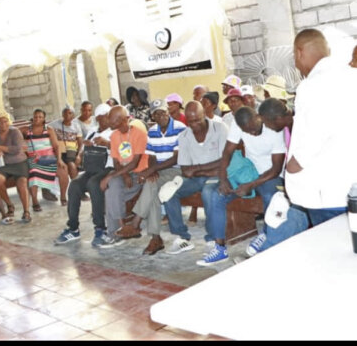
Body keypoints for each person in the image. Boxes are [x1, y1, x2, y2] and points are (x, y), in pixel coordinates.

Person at [262, 30, 357, 251]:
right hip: (351, 183)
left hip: (327, 189)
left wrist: (295, 165)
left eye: (295, 59)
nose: (297, 65)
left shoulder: (312, 85)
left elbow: (316, 131)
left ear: (300, 52)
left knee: (334, 252)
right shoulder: (352, 76)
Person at [199, 106, 286, 266]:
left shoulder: (274, 128)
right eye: (248, 131)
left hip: (269, 175)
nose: (252, 133)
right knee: (217, 194)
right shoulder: (239, 125)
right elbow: (227, 153)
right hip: (248, 171)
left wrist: (251, 185)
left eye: (254, 129)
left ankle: (266, 234)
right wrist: (223, 178)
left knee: (270, 195)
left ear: (258, 118)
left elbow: (276, 169)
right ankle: (220, 248)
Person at [116, 99, 187, 255]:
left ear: (168, 112)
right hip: (161, 170)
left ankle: (136, 223)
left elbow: (177, 158)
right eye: (156, 113)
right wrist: (153, 170)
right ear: (153, 117)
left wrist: (152, 169)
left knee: (150, 183)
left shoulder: (180, 128)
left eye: (163, 112)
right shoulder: (153, 131)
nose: (160, 116)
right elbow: (152, 156)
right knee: (152, 187)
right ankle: (155, 238)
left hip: (178, 170)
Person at [163, 101, 227, 255]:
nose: (194, 124)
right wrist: (207, 170)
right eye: (190, 121)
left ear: (204, 114)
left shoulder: (220, 128)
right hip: (201, 177)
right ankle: (181, 237)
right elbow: (185, 170)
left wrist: (198, 168)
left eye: (197, 119)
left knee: (208, 192)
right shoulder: (184, 136)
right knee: (168, 191)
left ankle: (212, 239)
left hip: (218, 176)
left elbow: (225, 160)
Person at [54, 103, 116, 248]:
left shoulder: (115, 132)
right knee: (74, 185)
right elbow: (81, 151)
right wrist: (80, 155)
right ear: (99, 118)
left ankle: (100, 229)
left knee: (94, 184)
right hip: (92, 168)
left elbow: (122, 151)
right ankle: (73, 228)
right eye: (102, 118)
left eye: (107, 117)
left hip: (108, 168)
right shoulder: (93, 131)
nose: (106, 120)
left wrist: (106, 144)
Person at [100, 106, 149, 243]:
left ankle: (114, 233)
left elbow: (135, 163)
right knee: (111, 189)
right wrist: (123, 175)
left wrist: (111, 176)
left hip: (140, 173)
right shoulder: (114, 136)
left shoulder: (139, 134)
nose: (109, 122)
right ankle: (121, 228)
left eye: (112, 120)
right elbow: (116, 162)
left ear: (123, 120)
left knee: (111, 188)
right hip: (123, 173)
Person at [0, 112, 30, 224]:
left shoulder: (15, 132)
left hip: (19, 163)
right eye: (0, 121)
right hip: (3, 165)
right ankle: (9, 205)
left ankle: (26, 211)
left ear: (9, 122)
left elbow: (17, 149)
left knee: (22, 183)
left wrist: (0, 147)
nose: (3, 124)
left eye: (5, 121)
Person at [26, 109, 69, 209]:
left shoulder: (48, 129)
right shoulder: (27, 130)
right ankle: (35, 202)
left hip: (49, 158)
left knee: (63, 170)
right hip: (34, 160)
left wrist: (59, 159)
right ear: (33, 117)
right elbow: (18, 139)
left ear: (44, 118)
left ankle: (63, 197)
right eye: (35, 116)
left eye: (40, 117)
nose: (37, 119)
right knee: (33, 172)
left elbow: (56, 146)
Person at [47, 106, 83, 203]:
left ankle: (78, 191)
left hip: (71, 151)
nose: (68, 115)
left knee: (71, 165)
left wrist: (79, 155)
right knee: (64, 168)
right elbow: (45, 128)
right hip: (58, 152)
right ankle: (65, 195)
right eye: (66, 113)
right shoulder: (54, 124)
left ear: (73, 115)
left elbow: (80, 143)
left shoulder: (76, 126)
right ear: (62, 114)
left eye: (70, 113)